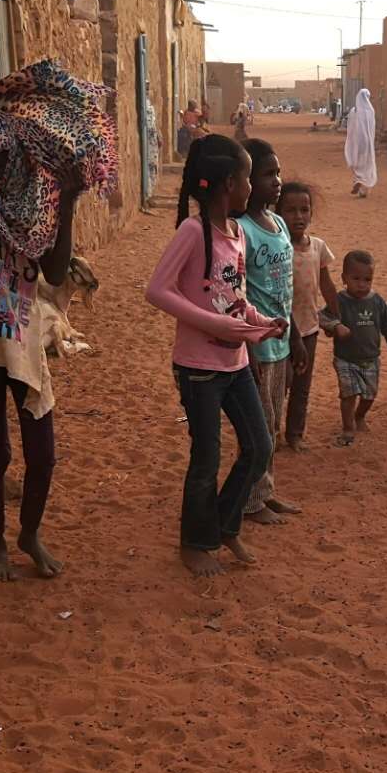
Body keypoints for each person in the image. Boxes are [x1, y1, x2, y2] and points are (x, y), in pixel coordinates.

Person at [0, 63, 117, 582]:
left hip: (23, 337)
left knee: (44, 456)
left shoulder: (33, 210)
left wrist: (68, 202)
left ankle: (29, 532)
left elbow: (58, 271)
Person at [147, 136, 286, 576]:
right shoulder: (193, 232)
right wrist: (214, 325)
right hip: (198, 369)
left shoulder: (237, 233)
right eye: (247, 177)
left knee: (259, 446)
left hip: (236, 362)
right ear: (230, 183)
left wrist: (260, 321)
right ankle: (195, 543)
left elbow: (233, 296)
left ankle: (226, 526)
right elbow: (157, 291)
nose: (251, 186)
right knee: (206, 456)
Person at [237, 140, 303, 525]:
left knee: (273, 422)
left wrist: (294, 340)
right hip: (257, 346)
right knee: (258, 428)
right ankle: (249, 501)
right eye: (267, 174)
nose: (276, 181)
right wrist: (247, 344)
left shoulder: (277, 224)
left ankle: (266, 490)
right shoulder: (242, 230)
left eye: (277, 173)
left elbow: (285, 288)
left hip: (281, 343)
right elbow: (239, 291)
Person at [277, 181, 341, 451]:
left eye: (304, 209)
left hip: (310, 328)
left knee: (302, 386)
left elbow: (326, 284)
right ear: (277, 213)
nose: (299, 216)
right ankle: (271, 432)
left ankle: (295, 434)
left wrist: (337, 315)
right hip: (281, 330)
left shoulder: (318, 247)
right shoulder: (278, 248)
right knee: (281, 384)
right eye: (291, 210)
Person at [325, 250, 387, 446]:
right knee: (348, 394)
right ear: (344, 278)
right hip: (345, 358)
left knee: (369, 395)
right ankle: (347, 427)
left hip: (371, 358)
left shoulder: (377, 301)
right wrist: (336, 326)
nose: (362, 284)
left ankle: (359, 416)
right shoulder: (339, 300)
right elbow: (322, 316)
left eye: (367, 279)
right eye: (356, 278)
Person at [344, 87, 377, 197]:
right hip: (367, 142)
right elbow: (372, 128)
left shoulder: (354, 111)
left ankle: (358, 180)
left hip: (356, 142)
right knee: (367, 164)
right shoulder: (371, 111)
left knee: (357, 163)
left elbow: (350, 127)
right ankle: (363, 189)